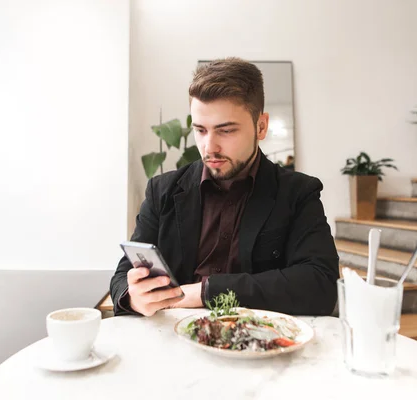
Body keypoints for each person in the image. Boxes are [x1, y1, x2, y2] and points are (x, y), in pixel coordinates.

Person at [110, 57, 339, 317]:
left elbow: (320, 285)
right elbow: (122, 276)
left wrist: (206, 292)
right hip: (175, 342)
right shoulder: (162, 191)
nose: (209, 147)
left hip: (260, 344)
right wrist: (133, 297)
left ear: (261, 126)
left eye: (226, 131)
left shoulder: (298, 193)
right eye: (200, 130)